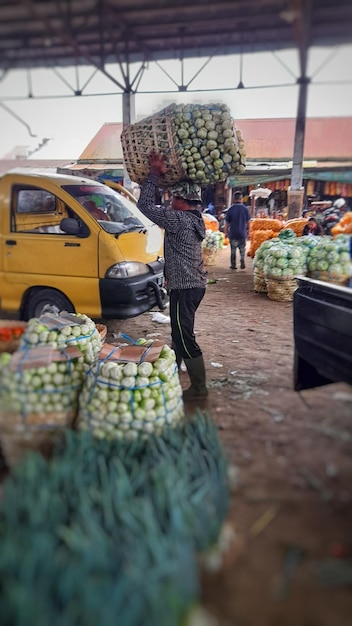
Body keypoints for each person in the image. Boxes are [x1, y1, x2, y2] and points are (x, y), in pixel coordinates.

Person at [137, 152, 208, 402]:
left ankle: (199, 388)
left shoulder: (179, 220)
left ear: (183, 201)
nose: (171, 203)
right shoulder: (195, 220)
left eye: (174, 198)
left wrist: (154, 173)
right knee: (179, 331)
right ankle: (173, 368)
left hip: (186, 287)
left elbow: (144, 206)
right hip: (194, 285)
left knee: (183, 334)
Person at [224, 190, 251, 269]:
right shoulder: (245, 209)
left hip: (233, 233)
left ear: (233, 199)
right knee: (242, 249)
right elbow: (248, 222)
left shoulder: (230, 209)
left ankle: (233, 265)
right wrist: (249, 231)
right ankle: (242, 260)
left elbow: (227, 223)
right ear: (241, 199)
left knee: (233, 250)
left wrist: (225, 233)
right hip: (242, 233)